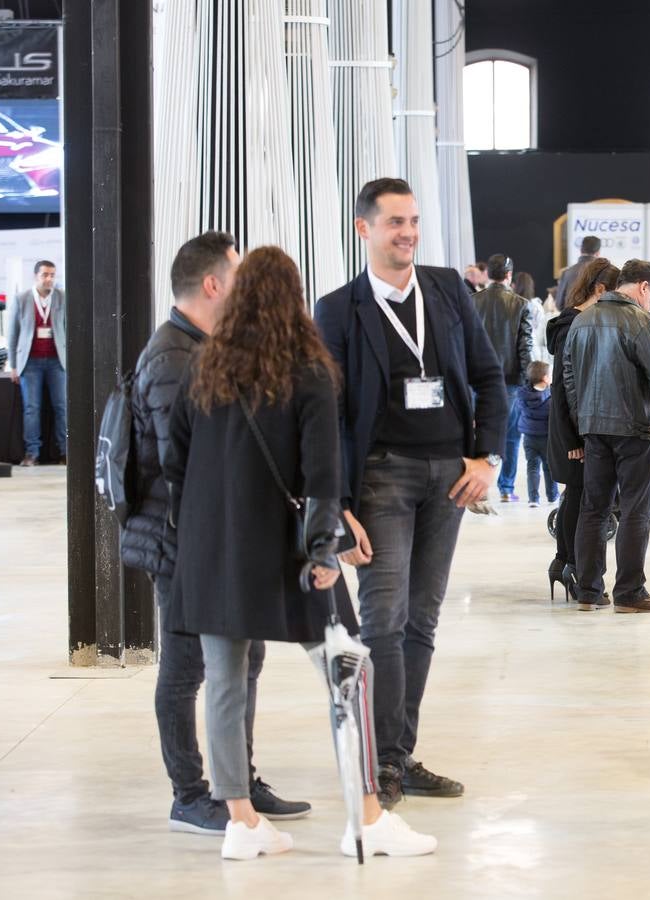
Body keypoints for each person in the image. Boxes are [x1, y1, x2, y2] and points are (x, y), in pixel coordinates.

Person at [163, 245, 436, 861]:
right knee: (349, 674)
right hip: (290, 553)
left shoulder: (203, 368)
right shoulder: (309, 371)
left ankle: (241, 823)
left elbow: (175, 461)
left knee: (226, 686)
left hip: (211, 555)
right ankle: (367, 817)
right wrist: (322, 552)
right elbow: (320, 474)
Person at [314, 177, 507, 809]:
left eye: (414, 221)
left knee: (422, 621)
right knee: (384, 621)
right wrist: (337, 505)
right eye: (395, 222)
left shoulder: (449, 290)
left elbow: (487, 375)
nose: (409, 233)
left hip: (450, 475)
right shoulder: (339, 309)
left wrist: (487, 456)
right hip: (381, 477)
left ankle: (397, 753)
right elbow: (329, 412)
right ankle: (382, 761)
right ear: (363, 229)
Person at [122, 231, 308, 835]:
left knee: (243, 662)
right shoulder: (174, 358)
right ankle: (190, 793)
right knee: (185, 671)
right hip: (183, 542)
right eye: (238, 277)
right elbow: (191, 466)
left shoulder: (199, 349)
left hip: (207, 540)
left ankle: (239, 784)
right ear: (212, 285)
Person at [562, 259, 650, 613]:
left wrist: (581, 416)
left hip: (593, 426)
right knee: (635, 510)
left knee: (594, 508)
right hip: (638, 428)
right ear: (644, 287)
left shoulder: (581, 321)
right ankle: (630, 592)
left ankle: (587, 590)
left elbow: (569, 379)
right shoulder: (643, 322)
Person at [545, 258, 619, 602]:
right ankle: (571, 564)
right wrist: (573, 438)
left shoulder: (575, 321)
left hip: (575, 428)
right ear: (600, 289)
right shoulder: (573, 324)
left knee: (573, 496)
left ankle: (564, 563)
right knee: (579, 498)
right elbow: (561, 386)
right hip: (572, 431)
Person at [473, 253, 534, 502]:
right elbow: (524, 347)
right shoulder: (521, 304)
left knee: (479, 432)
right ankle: (506, 489)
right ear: (509, 275)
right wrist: (528, 380)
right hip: (510, 381)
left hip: (477, 379)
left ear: (488, 274)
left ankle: (477, 487)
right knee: (510, 435)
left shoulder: (471, 302)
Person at [6, 260, 67, 466]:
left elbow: (69, 330)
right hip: (30, 362)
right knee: (31, 408)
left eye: (52, 275)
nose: (49, 279)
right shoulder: (22, 299)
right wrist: (13, 365)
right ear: (36, 276)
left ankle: (65, 452)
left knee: (62, 407)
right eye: (45, 275)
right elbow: (12, 334)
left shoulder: (62, 298)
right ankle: (32, 453)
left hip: (57, 361)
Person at [517, 360, 557, 508]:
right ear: (545, 378)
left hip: (528, 438)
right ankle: (552, 496)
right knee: (549, 467)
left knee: (532, 467)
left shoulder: (523, 395)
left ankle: (533, 498)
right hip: (546, 438)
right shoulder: (551, 397)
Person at [555, 234, 601, 309]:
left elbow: (559, 304)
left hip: (571, 319)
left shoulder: (567, 272)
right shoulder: (603, 271)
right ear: (598, 253)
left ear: (580, 250)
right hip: (596, 318)